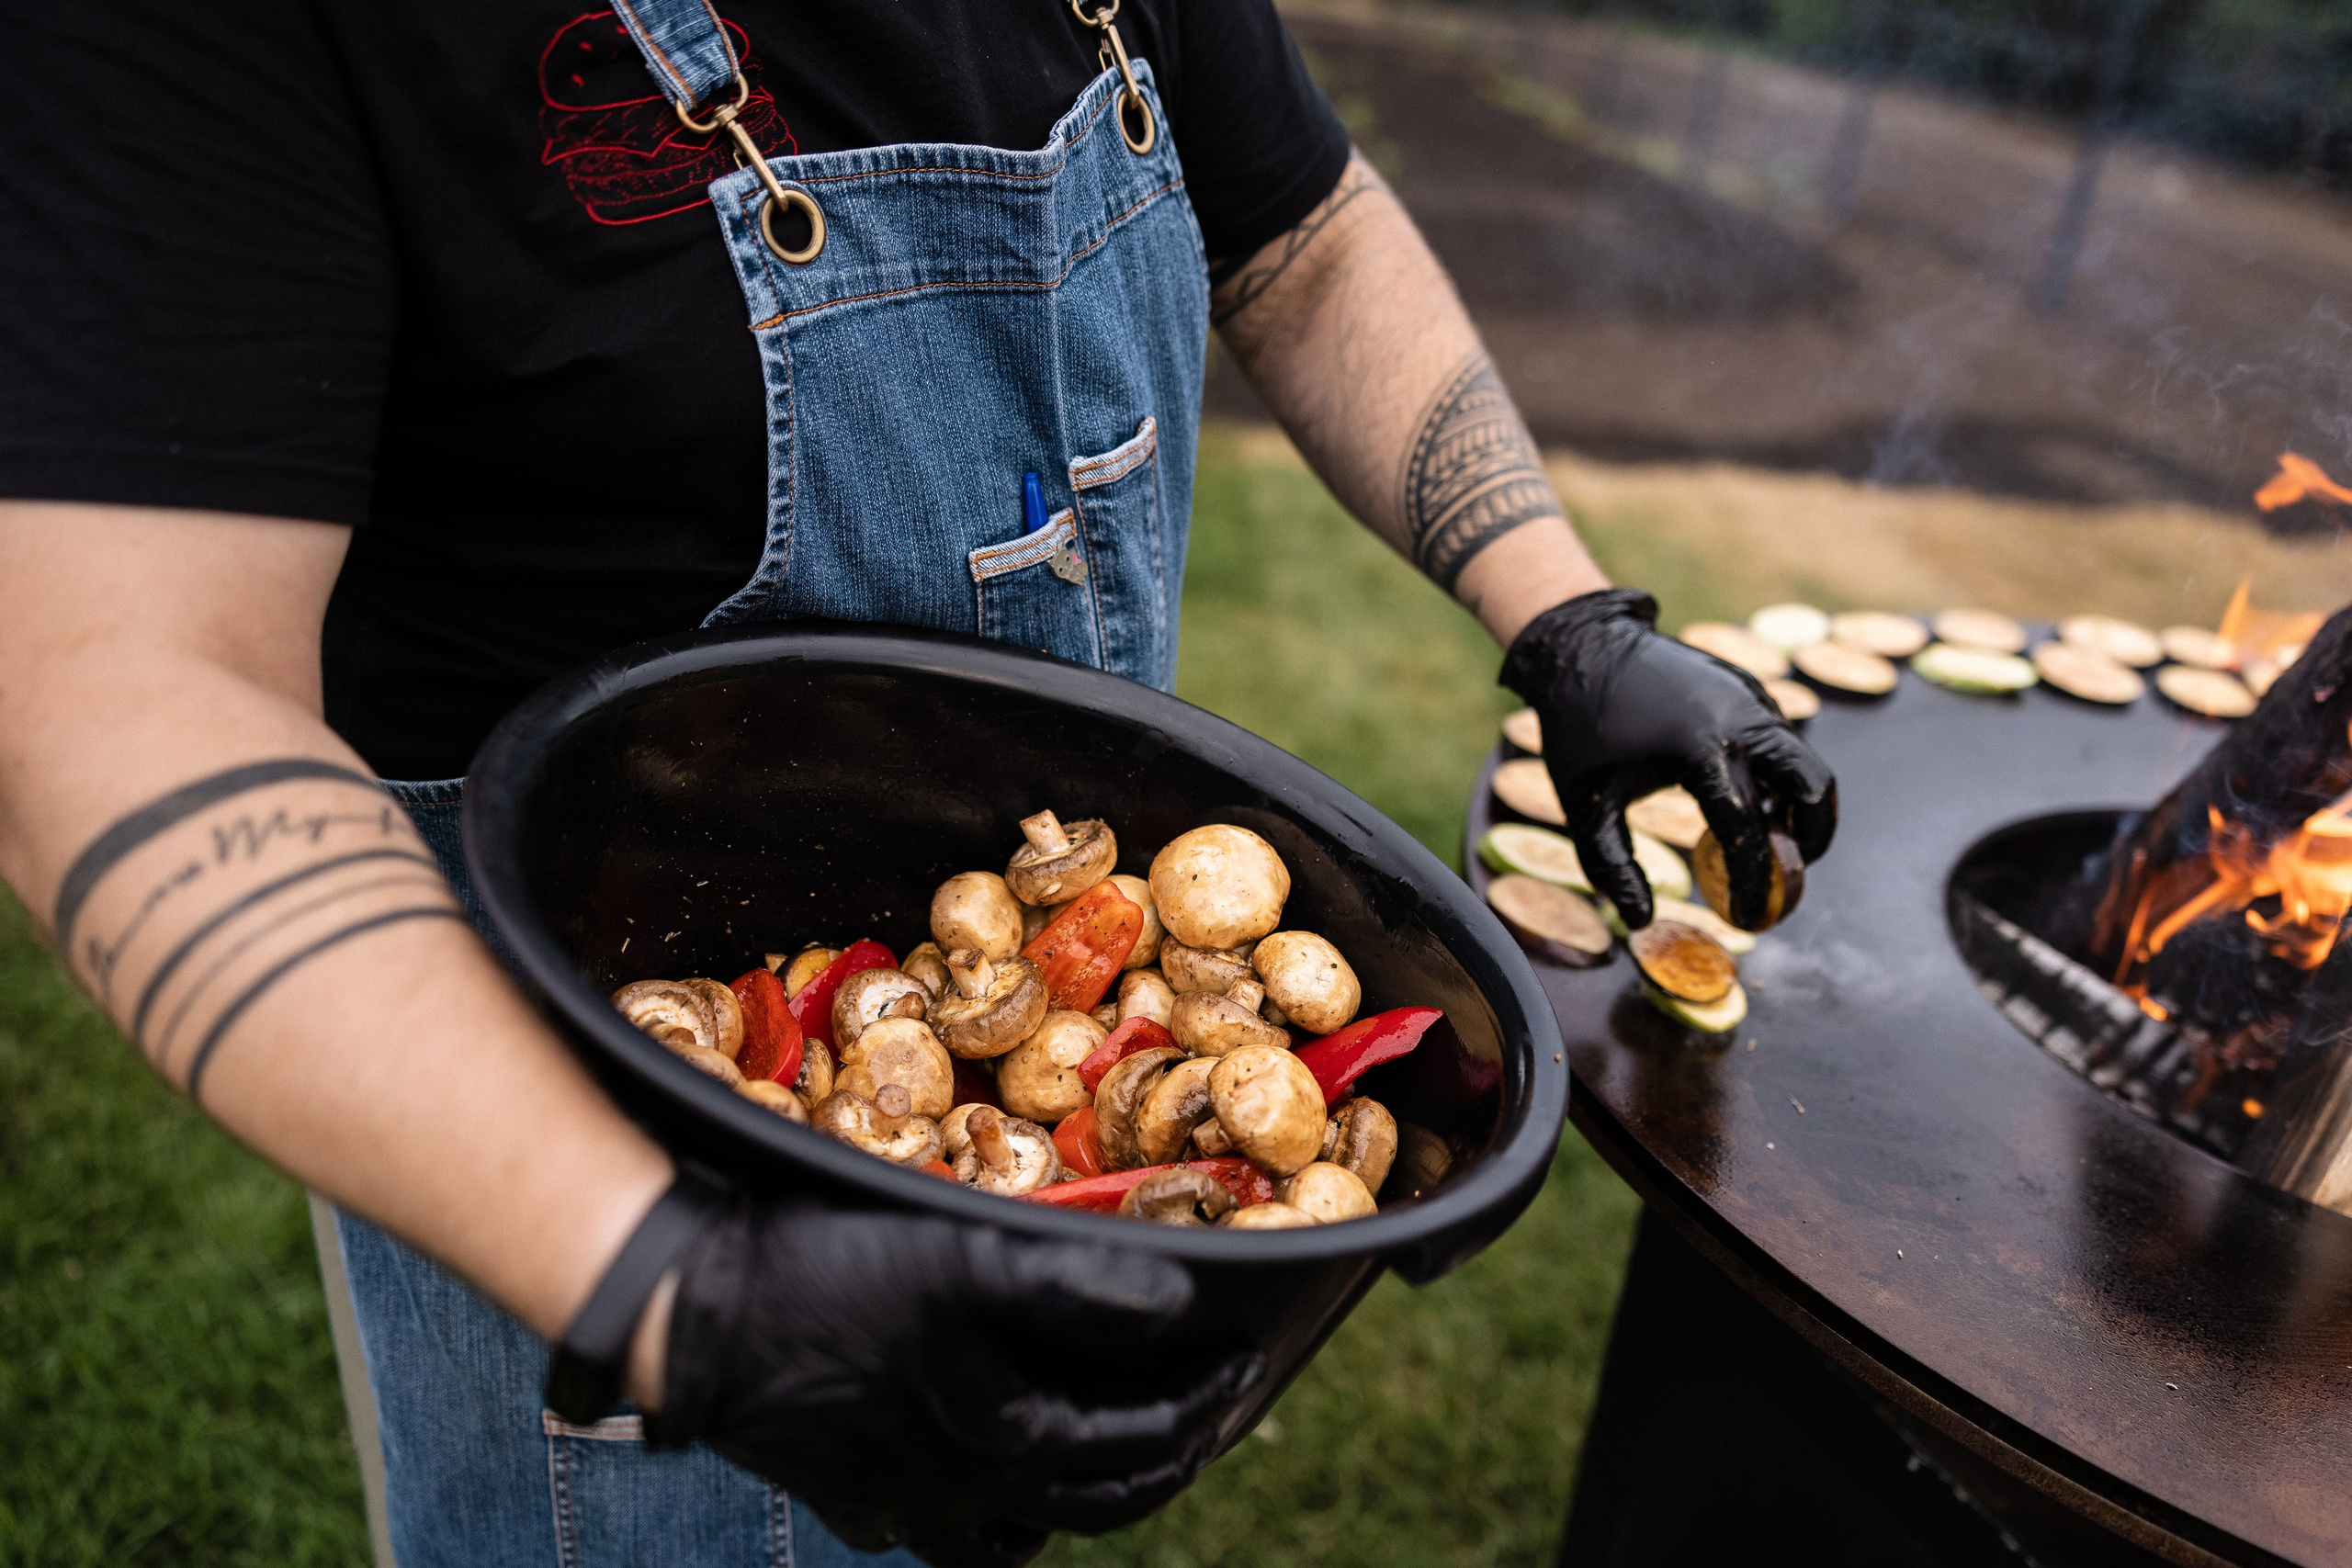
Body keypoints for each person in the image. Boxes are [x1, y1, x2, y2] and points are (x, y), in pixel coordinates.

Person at [0, 1, 1836, 1563]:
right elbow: (115, 695)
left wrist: (1567, 612)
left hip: (1004, 1070)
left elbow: (1299, 231)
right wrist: (670, 1288)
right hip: (567, 1167)